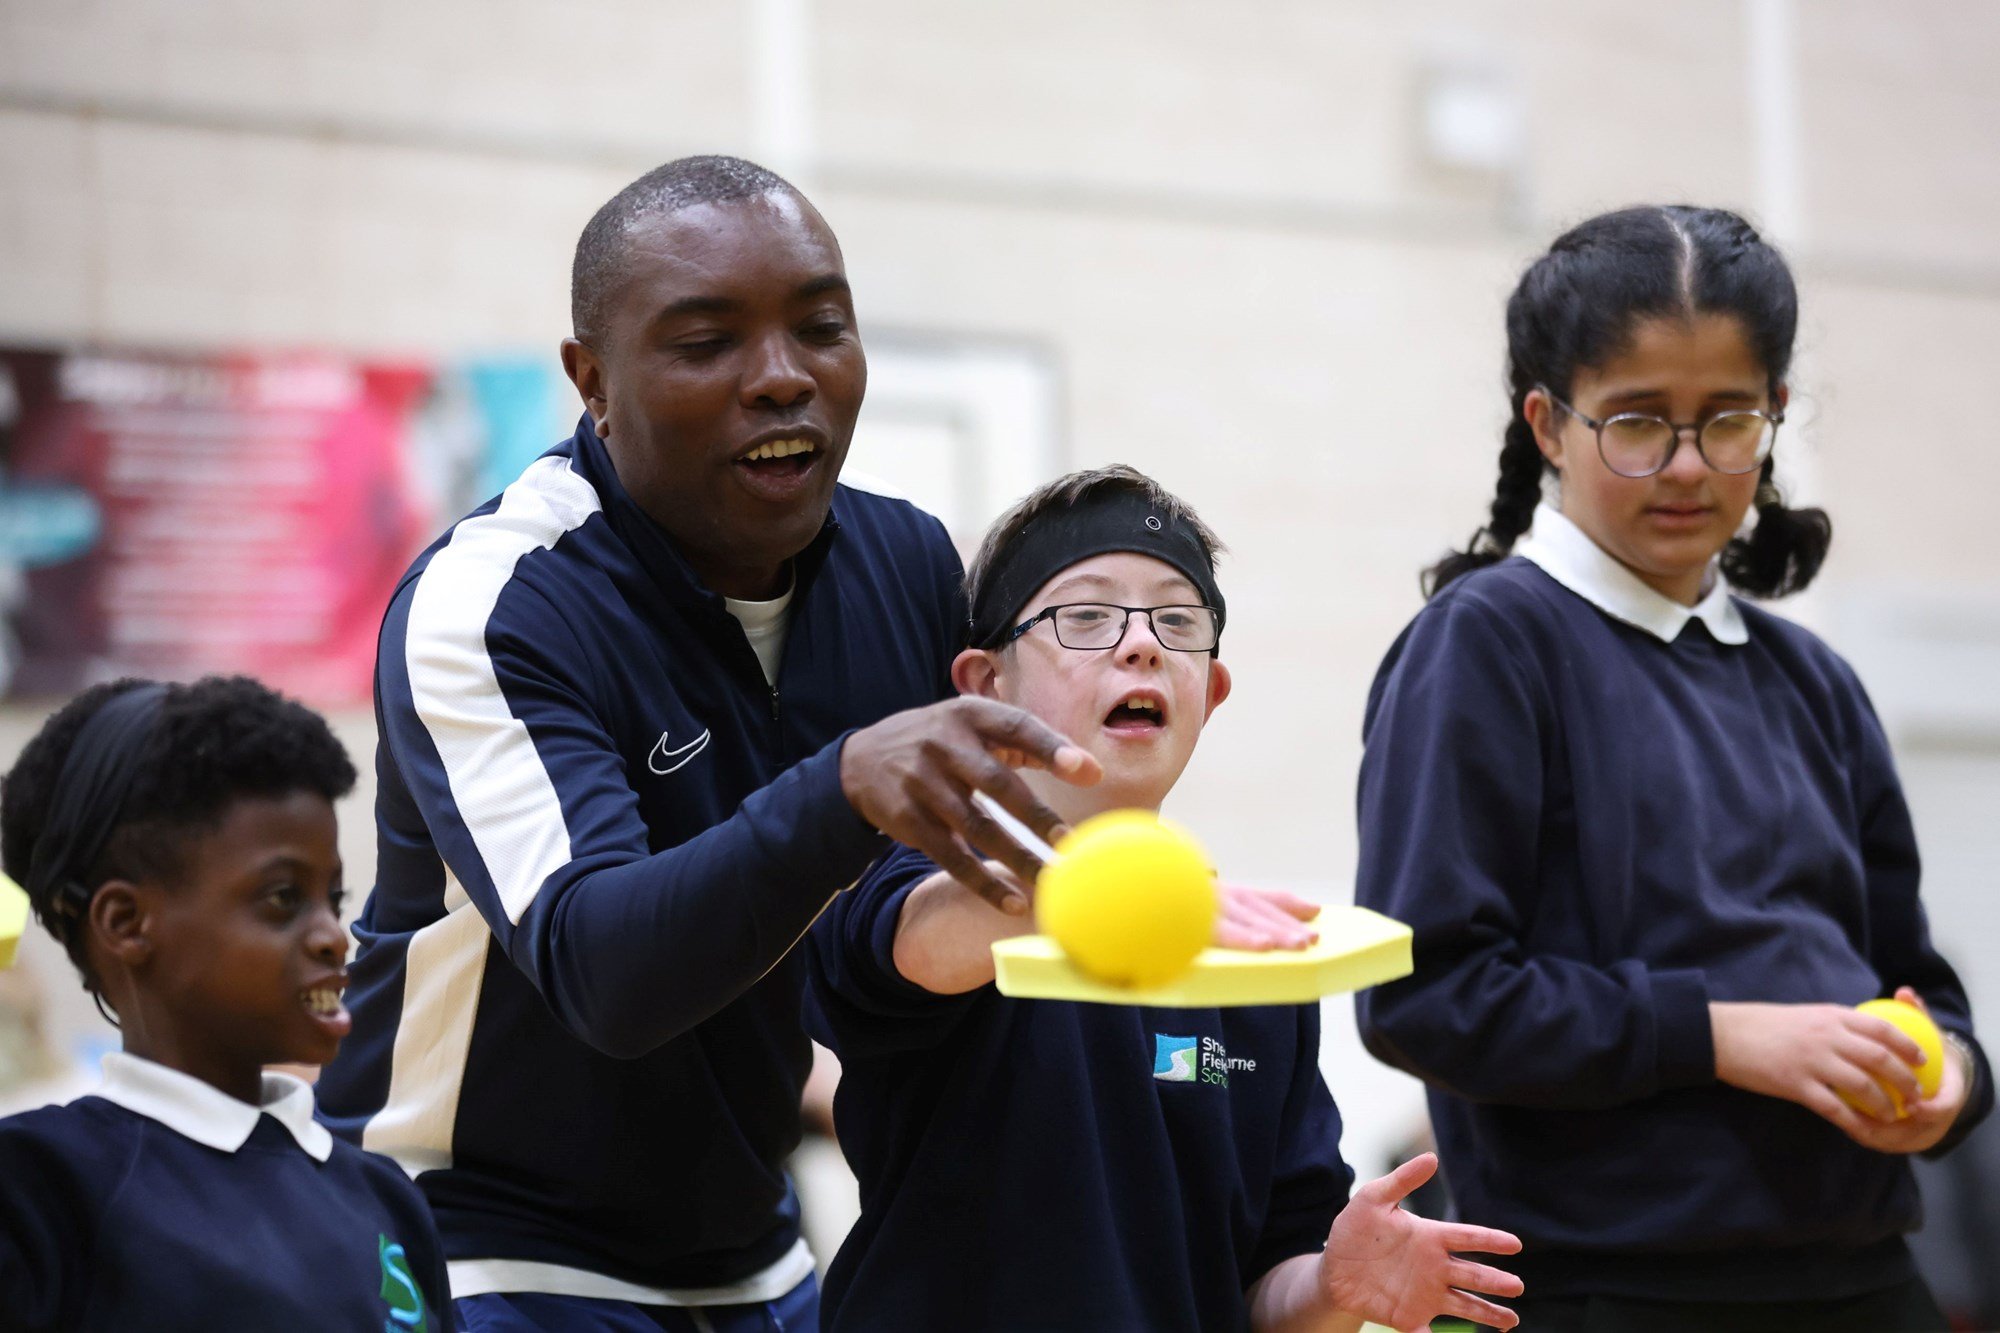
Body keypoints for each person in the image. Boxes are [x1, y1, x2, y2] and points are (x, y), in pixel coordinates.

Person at [315, 154, 1097, 1331]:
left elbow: (906, 918)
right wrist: (838, 789)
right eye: (705, 342)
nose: (780, 377)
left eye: (820, 327)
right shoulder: (497, 604)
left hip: (751, 1245)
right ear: (592, 380)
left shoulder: (907, 564)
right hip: (469, 1240)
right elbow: (604, 971)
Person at [1354, 205, 1993, 1332]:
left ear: (1774, 415)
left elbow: (1921, 986)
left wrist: (1947, 1083)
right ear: (1548, 423)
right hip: (1612, 1292)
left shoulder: (1814, 681)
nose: (1686, 466)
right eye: (1638, 423)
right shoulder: (1486, 644)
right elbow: (1425, 997)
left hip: (1864, 1281)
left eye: (1727, 420)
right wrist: (1724, 1034)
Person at [805, 465, 1525, 1332]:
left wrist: (1338, 1286)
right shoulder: (919, 870)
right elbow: (919, 948)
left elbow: (1266, 1280)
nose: (1140, 644)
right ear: (984, 684)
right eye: (1086, 616)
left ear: (1210, 692)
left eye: (1177, 622)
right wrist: (1110, 889)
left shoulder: (1253, 956)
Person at [0, 676, 450, 1332]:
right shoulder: (40, 1185)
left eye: (334, 898)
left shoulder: (387, 1198)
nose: (331, 935)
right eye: (282, 898)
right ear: (127, 923)